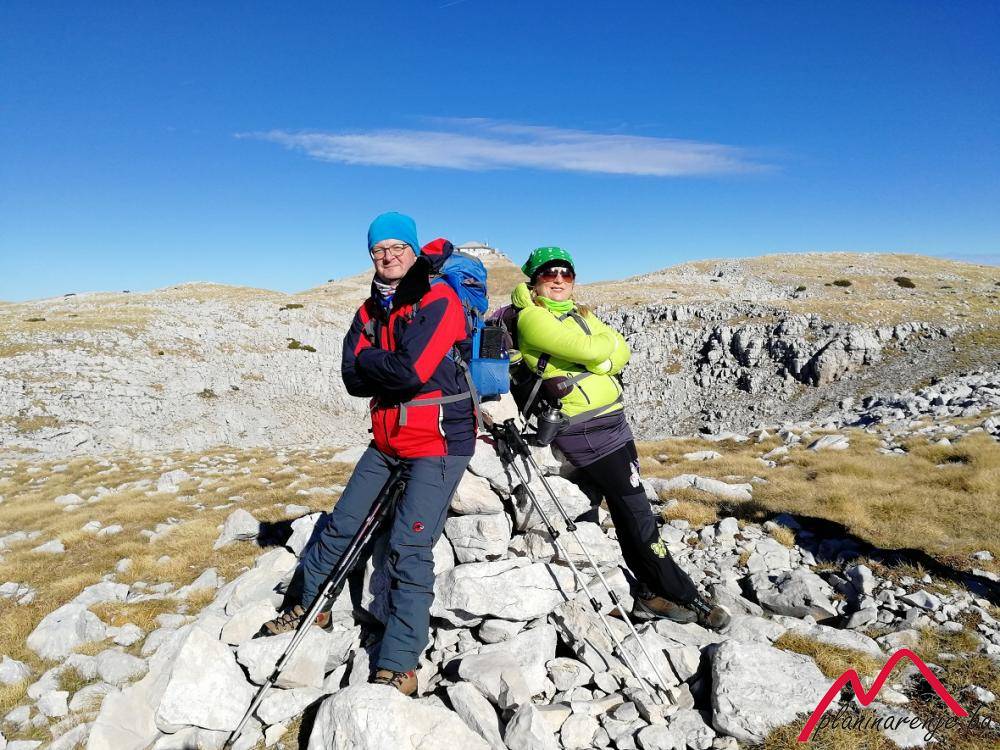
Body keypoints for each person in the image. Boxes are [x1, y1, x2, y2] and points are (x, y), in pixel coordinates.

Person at [260, 212, 476, 695]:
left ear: (414, 251)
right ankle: (308, 606)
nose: (388, 256)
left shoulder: (438, 299)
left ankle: (399, 664)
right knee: (339, 524)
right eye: (379, 249)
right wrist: (385, 365)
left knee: (408, 546)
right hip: (387, 439)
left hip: (439, 441)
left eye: (398, 247)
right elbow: (352, 380)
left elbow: (409, 371)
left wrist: (373, 360)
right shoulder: (368, 310)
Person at [510, 246, 730, 630]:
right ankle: (684, 595)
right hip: (586, 431)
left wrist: (602, 355)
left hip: (614, 424)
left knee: (625, 512)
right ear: (534, 280)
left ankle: (646, 593)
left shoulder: (579, 313)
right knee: (637, 513)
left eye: (566, 273)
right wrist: (601, 356)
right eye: (549, 273)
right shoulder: (532, 317)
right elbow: (592, 347)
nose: (559, 280)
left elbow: (620, 348)